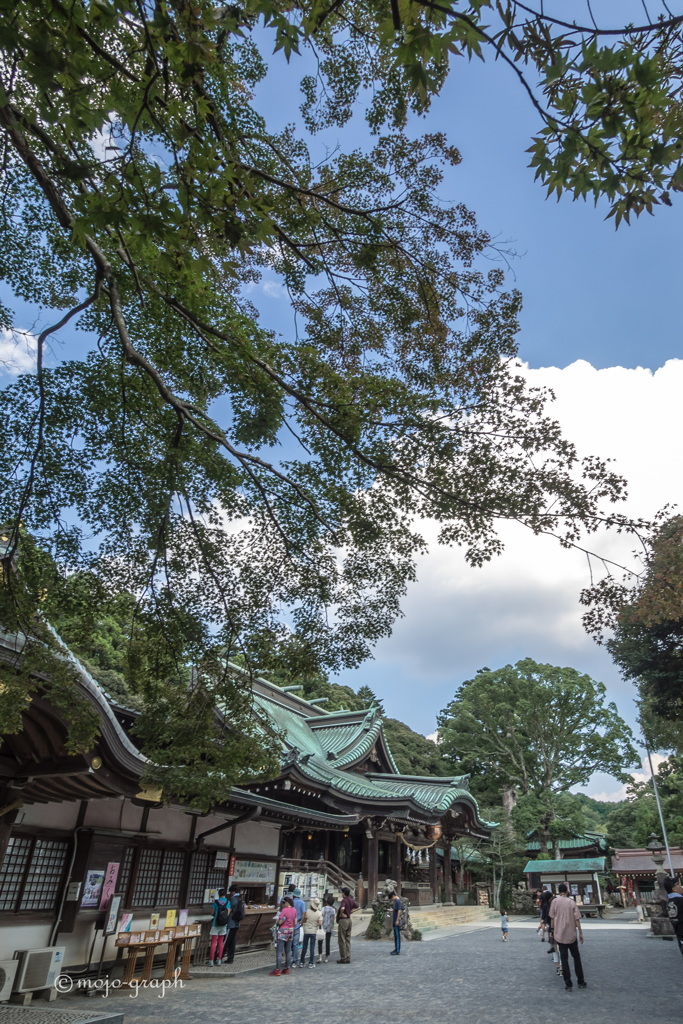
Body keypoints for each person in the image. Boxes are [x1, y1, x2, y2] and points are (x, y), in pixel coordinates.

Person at [549, 882, 586, 990]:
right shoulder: (571, 902)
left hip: (559, 934)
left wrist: (552, 930)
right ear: (567, 891)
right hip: (571, 934)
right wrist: (580, 932)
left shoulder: (554, 902)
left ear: (559, 891)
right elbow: (577, 919)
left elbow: (552, 918)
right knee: (576, 957)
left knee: (564, 958)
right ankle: (580, 981)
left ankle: (568, 983)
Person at [270, 896, 296, 976]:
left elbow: (280, 922)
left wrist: (278, 922)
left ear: (286, 903)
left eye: (284, 903)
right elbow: (295, 922)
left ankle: (278, 969)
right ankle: (287, 968)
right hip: (290, 931)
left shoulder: (284, 910)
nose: (283, 905)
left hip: (282, 931)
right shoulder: (294, 910)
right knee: (288, 951)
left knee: (279, 951)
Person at [336, 885, 359, 964]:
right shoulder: (351, 900)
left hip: (343, 920)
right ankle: (348, 957)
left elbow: (342, 908)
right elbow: (358, 907)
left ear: (343, 893)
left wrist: (342, 914)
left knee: (342, 939)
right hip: (349, 920)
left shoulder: (344, 900)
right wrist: (351, 912)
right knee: (348, 939)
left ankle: (343, 957)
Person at [208, 887, 230, 965]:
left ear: (218, 894)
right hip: (223, 924)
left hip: (215, 924)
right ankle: (219, 960)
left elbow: (212, 913)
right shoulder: (228, 902)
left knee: (214, 942)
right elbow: (228, 913)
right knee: (221, 942)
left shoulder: (216, 902)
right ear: (225, 894)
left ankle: (211, 961)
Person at [223, 883, 244, 964]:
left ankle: (220, 956)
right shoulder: (240, 899)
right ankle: (230, 958)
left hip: (231, 922)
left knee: (227, 940)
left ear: (234, 892)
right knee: (232, 941)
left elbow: (229, 909)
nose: (230, 893)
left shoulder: (233, 899)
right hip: (237, 923)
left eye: (231, 892)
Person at [663, 876, 683, 958]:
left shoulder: (669, 902)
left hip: (679, 934)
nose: (680, 886)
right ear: (674, 888)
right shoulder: (680, 901)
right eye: (678, 884)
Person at [300, 897, 322, 967]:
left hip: (306, 930)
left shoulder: (307, 911)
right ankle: (311, 962)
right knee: (312, 947)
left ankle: (302, 962)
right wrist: (316, 924)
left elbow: (303, 920)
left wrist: (303, 923)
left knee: (304, 947)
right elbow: (320, 923)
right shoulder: (319, 913)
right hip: (313, 931)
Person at [318, 895, 336, 962]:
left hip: (323, 926)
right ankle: (326, 957)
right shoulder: (333, 910)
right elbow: (333, 919)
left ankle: (320, 956)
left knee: (320, 941)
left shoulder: (323, 908)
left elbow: (321, 916)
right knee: (328, 942)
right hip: (329, 927)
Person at [292, 887, 306, 963]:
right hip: (297, 923)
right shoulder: (302, 903)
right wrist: (302, 922)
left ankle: (288, 960)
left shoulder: (291, 902)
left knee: (288, 943)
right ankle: (295, 960)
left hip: (290, 924)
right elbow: (304, 913)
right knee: (295, 943)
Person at [389, 889, 403, 955]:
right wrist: (393, 910)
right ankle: (396, 948)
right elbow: (397, 910)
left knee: (397, 935)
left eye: (391, 899)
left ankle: (397, 950)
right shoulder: (396, 901)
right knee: (396, 935)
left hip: (396, 921)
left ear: (393, 896)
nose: (392, 900)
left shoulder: (398, 901)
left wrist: (397, 920)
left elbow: (399, 910)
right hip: (395, 920)